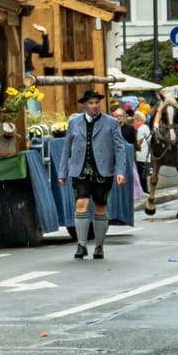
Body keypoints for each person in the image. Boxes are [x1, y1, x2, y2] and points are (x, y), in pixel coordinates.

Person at [59, 89, 126, 260]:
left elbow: (120, 148)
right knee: (81, 203)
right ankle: (81, 245)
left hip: (103, 171)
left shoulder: (111, 122)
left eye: (96, 102)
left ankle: (99, 246)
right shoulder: (74, 123)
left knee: (100, 207)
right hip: (80, 170)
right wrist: (63, 172)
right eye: (90, 103)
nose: (94, 106)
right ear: (85, 105)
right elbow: (67, 147)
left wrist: (120, 171)